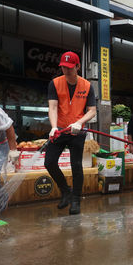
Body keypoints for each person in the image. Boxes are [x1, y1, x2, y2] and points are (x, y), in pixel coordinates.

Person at [45, 51, 97, 215]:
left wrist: (79, 123)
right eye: (63, 68)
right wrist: (53, 127)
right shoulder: (54, 83)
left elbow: (92, 111)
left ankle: (76, 199)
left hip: (77, 131)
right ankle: (65, 191)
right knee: (49, 162)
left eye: (69, 68)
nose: (66, 71)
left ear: (77, 66)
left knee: (76, 166)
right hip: (59, 130)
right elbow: (53, 107)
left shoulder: (87, 86)